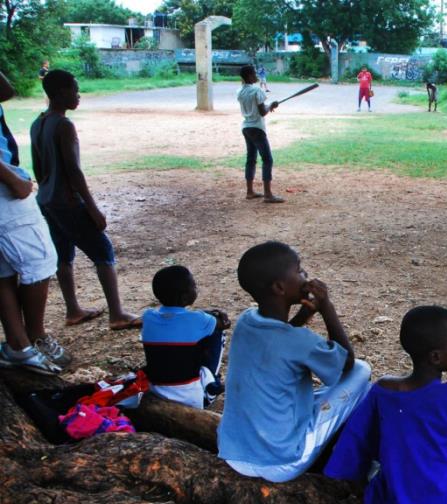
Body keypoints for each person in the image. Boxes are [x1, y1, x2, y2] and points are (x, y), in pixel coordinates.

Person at [218, 241, 371, 483]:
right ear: (279, 287)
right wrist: (326, 308)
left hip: (234, 451)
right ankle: (355, 460)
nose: (306, 276)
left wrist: (303, 315)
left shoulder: (246, 321)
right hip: (281, 460)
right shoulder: (299, 341)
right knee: (363, 372)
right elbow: (347, 363)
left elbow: (278, 341)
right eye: (299, 270)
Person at [325, 305, 447, 503]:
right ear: (436, 357)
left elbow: (356, 440)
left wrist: (361, 488)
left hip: (392, 496)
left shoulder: (383, 390)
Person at [31, 70, 142, 331]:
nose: (78, 95)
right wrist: (92, 208)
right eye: (74, 89)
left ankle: (73, 310)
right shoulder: (64, 125)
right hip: (67, 201)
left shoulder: (38, 123)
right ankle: (116, 313)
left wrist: (48, 189)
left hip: (46, 199)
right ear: (60, 93)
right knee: (103, 251)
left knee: (63, 254)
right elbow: (74, 171)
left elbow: (38, 168)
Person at [0, 70, 64, 374]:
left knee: (4, 270)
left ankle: (18, 345)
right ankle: (34, 336)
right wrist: (10, 178)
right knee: (39, 260)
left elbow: (5, 90)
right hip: (4, 188)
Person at [140, 265, 229, 409]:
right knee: (217, 333)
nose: (196, 288)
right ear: (185, 297)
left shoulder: (148, 316)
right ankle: (212, 384)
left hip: (155, 391)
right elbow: (224, 324)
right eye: (194, 286)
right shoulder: (199, 319)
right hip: (191, 398)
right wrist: (221, 314)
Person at [238, 65, 282, 203]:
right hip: (257, 128)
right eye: (254, 74)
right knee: (267, 159)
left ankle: (250, 191)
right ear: (250, 76)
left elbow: (258, 108)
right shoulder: (257, 90)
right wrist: (271, 106)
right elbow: (262, 112)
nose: (256, 76)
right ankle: (268, 194)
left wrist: (269, 106)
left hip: (246, 127)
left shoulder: (240, 91)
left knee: (251, 159)